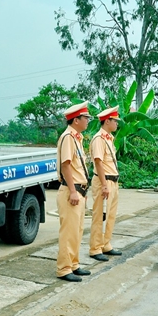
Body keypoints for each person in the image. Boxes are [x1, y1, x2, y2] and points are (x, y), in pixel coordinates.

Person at [56, 101, 93, 282]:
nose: (88, 121)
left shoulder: (76, 137)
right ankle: (64, 268)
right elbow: (66, 165)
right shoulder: (68, 138)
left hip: (80, 191)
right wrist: (72, 191)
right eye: (86, 118)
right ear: (76, 119)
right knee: (69, 232)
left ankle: (74, 264)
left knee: (77, 232)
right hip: (72, 191)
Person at [89, 107, 122, 261]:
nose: (117, 124)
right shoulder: (99, 139)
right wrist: (103, 185)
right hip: (104, 181)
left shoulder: (109, 138)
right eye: (115, 121)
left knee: (111, 215)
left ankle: (105, 244)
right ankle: (95, 248)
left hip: (113, 181)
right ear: (107, 121)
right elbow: (98, 161)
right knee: (99, 216)